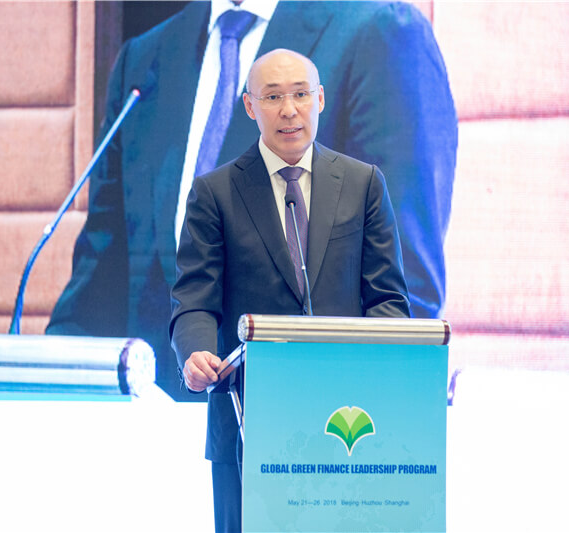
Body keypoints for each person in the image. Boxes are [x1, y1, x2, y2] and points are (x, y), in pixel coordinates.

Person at [46, 0, 457, 402]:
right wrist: (43, 387)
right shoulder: (145, 56)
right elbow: (101, 269)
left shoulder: (381, 32)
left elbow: (402, 285)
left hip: (308, 416)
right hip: (155, 420)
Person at [170, 48, 411, 533]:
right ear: (249, 106)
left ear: (320, 99)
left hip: (348, 422)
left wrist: (380, 369)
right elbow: (194, 299)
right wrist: (195, 352)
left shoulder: (363, 184)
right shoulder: (215, 193)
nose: (289, 110)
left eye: (301, 94)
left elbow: (387, 300)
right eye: (273, 97)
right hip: (247, 421)